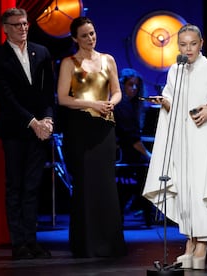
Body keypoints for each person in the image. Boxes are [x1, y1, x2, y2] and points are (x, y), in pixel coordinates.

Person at [142, 23, 207, 270]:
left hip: (205, 141)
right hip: (183, 143)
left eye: (193, 44)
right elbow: (173, 103)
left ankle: (202, 248)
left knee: (201, 192)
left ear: (201, 44)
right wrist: (164, 103)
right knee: (187, 193)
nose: (188, 49)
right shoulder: (175, 71)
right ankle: (190, 243)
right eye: (183, 44)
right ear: (178, 46)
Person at [0, 8, 54, 260]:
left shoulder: (42, 52)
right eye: (16, 25)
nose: (23, 28)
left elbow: (48, 91)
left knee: (34, 187)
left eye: (25, 24)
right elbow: (5, 98)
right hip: (15, 130)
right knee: (15, 186)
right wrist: (32, 122)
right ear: (5, 28)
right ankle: (19, 243)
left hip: (40, 131)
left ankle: (32, 240)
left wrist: (47, 119)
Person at [56, 16, 127, 258]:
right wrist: (92, 103)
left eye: (93, 33)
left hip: (105, 127)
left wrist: (110, 103)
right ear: (75, 38)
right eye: (85, 35)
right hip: (80, 128)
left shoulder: (108, 59)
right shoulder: (69, 63)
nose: (90, 38)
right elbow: (63, 98)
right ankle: (86, 244)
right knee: (85, 184)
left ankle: (110, 243)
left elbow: (117, 91)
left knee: (106, 185)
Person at [114, 68, 153, 227]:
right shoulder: (121, 106)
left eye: (137, 86)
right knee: (145, 176)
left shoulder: (130, 106)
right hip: (123, 156)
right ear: (123, 85)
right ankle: (147, 215)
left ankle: (145, 214)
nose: (134, 89)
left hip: (128, 154)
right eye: (131, 85)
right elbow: (133, 140)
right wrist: (149, 156)